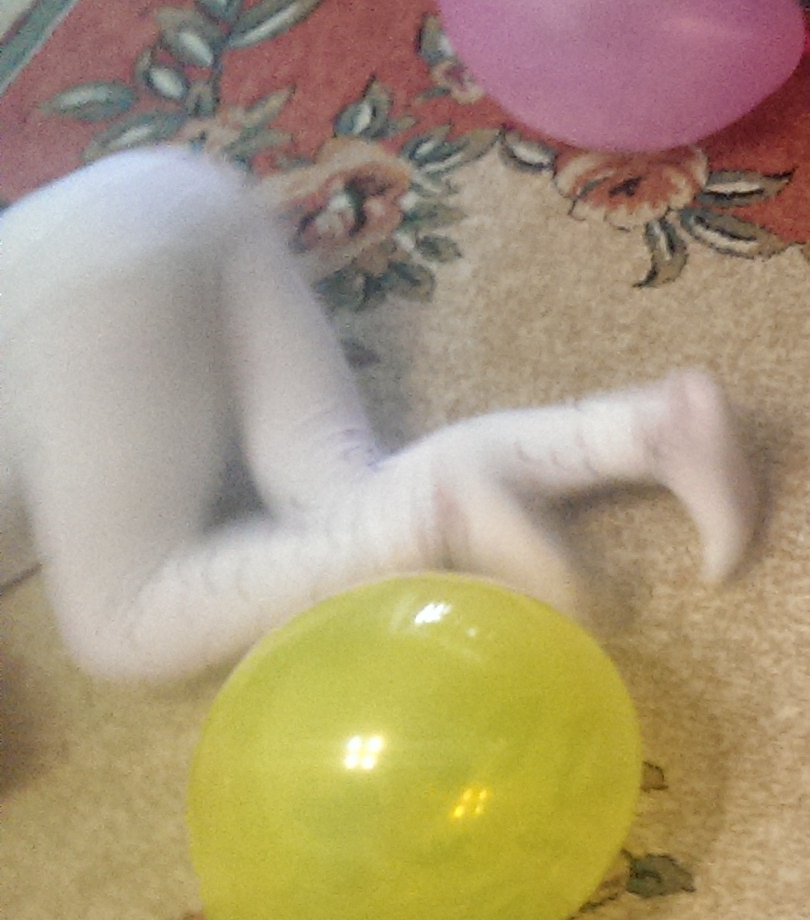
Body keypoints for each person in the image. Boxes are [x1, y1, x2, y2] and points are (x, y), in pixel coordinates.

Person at [0, 147, 755, 680]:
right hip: (158, 191)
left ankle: (433, 515)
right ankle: (648, 428)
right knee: (331, 487)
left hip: (74, 297)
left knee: (120, 623)